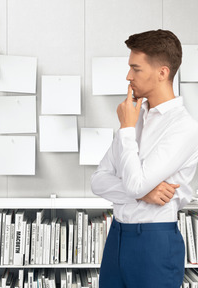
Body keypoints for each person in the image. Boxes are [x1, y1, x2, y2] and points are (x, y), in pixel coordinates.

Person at [91, 29, 198, 288]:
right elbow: (98, 181)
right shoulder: (136, 115)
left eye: (135, 69)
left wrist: (127, 128)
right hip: (116, 235)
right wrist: (141, 194)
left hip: (154, 241)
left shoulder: (183, 127)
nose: (128, 76)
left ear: (162, 72)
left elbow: (134, 184)